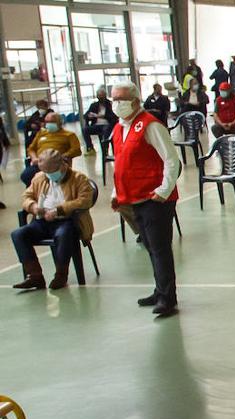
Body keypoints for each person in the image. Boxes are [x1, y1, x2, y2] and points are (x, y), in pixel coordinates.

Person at [109, 81, 182, 318]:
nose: (116, 104)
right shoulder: (119, 129)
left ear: (135, 101)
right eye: (114, 99)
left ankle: (167, 298)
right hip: (132, 198)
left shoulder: (151, 125)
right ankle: (159, 290)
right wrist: (115, 193)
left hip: (155, 198)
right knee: (150, 246)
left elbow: (171, 160)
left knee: (160, 248)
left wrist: (163, 189)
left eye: (121, 99)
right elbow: (120, 164)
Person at [10, 150, 96, 291]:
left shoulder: (78, 178)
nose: (50, 174)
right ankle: (35, 276)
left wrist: (59, 210)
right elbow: (26, 196)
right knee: (18, 234)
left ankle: (61, 275)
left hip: (68, 221)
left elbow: (85, 200)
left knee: (63, 234)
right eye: (46, 172)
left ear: (63, 165)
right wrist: (34, 206)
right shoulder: (39, 178)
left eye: (53, 171)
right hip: (42, 221)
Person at [22, 113, 82, 186]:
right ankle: (37, 192)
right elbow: (31, 149)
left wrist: (62, 156)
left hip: (57, 164)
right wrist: (34, 158)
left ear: (59, 122)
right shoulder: (41, 133)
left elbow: (77, 150)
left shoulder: (69, 135)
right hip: (40, 163)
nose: (48, 124)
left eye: (51, 122)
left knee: (50, 178)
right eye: (46, 122)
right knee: (26, 175)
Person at [82, 88, 118, 156]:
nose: (101, 97)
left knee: (105, 130)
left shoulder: (110, 104)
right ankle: (90, 148)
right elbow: (85, 115)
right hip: (96, 125)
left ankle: (105, 149)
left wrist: (101, 116)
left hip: (107, 125)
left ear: (105, 95)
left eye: (102, 95)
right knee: (85, 129)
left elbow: (114, 117)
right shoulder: (94, 105)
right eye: (99, 96)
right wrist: (89, 116)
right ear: (97, 96)